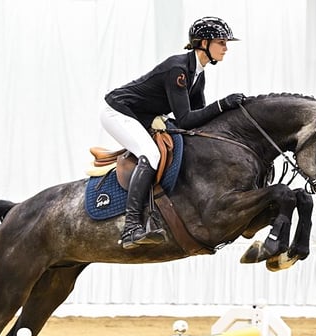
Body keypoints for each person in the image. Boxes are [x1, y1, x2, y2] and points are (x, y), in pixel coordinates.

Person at [100, 16, 245, 249]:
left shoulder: (198, 74)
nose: (226, 48)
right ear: (203, 43)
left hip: (142, 114)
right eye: (221, 42)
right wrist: (223, 104)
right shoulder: (178, 69)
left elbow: (198, 120)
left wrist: (229, 115)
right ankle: (131, 228)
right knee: (151, 154)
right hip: (117, 111)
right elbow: (186, 119)